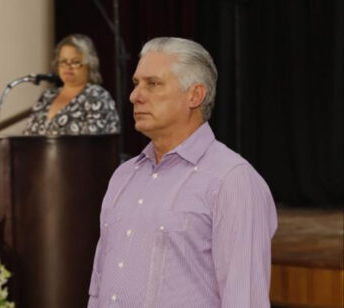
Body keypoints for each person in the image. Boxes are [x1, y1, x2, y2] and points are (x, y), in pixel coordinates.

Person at [87, 37, 277, 307]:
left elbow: (244, 300)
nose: (135, 96)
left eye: (153, 83)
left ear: (195, 95)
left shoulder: (232, 180)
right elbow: (98, 287)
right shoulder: (123, 176)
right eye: (136, 84)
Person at [23, 34, 120, 136]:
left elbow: (92, 144)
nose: (68, 67)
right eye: (64, 61)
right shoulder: (47, 96)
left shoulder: (97, 96)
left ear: (90, 64)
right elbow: (28, 137)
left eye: (75, 62)